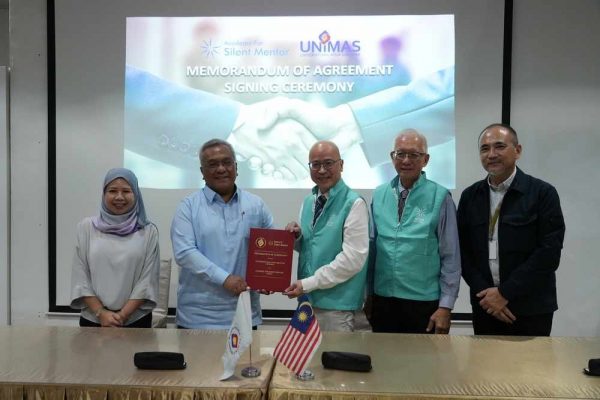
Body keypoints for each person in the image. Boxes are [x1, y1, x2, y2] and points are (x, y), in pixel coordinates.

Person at [457, 123, 565, 336]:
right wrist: (487, 296)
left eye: (499, 146)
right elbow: (461, 251)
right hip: (485, 306)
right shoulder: (470, 196)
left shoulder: (542, 193)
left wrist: (504, 293)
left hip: (531, 308)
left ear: (518, 150)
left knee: (532, 360)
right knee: (484, 359)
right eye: (485, 148)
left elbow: (549, 253)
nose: (491, 154)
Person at [171, 139, 274, 329]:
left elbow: (272, 248)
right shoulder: (188, 207)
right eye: (212, 164)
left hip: (245, 314)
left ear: (236, 167)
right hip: (198, 318)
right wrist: (225, 279)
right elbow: (185, 253)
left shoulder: (256, 205)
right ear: (202, 172)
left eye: (227, 162)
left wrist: (269, 278)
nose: (221, 169)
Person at [368, 129, 460, 334]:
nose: (406, 160)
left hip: (423, 303)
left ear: (425, 159)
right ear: (392, 157)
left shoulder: (440, 197)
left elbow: (451, 255)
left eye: (414, 155)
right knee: (383, 355)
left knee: (423, 356)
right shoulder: (380, 194)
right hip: (383, 299)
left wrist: (446, 306)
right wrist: (368, 294)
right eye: (400, 154)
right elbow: (372, 250)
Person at [284, 141, 369, 332]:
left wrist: (308, 284)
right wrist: (297, 238)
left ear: (341, 165)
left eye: (328, 163)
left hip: (337, 308)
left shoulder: (354, 203)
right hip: (307, 301)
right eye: (315, 165)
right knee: (305, 352)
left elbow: (352, 260)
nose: (322, 170)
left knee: (334, 352)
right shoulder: (309, 201)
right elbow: (312, 247)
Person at [70, 168, 159, 328]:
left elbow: (147, 280)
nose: (119, 197)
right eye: (112, 191)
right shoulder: (86, 227)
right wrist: (101, 313)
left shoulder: (148, 231)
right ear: (103, 194)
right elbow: (80, 274)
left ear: (136, 194)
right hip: (94, 318)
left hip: (135, 319)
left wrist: (123, 315)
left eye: (126, 191)